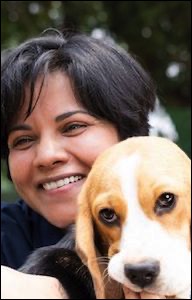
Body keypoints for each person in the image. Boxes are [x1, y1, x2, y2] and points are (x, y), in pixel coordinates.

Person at [1, 28, 157, 298]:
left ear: (127, 134)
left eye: (73, 126)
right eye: (23, 140)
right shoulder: (8, 234)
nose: (47, 155)